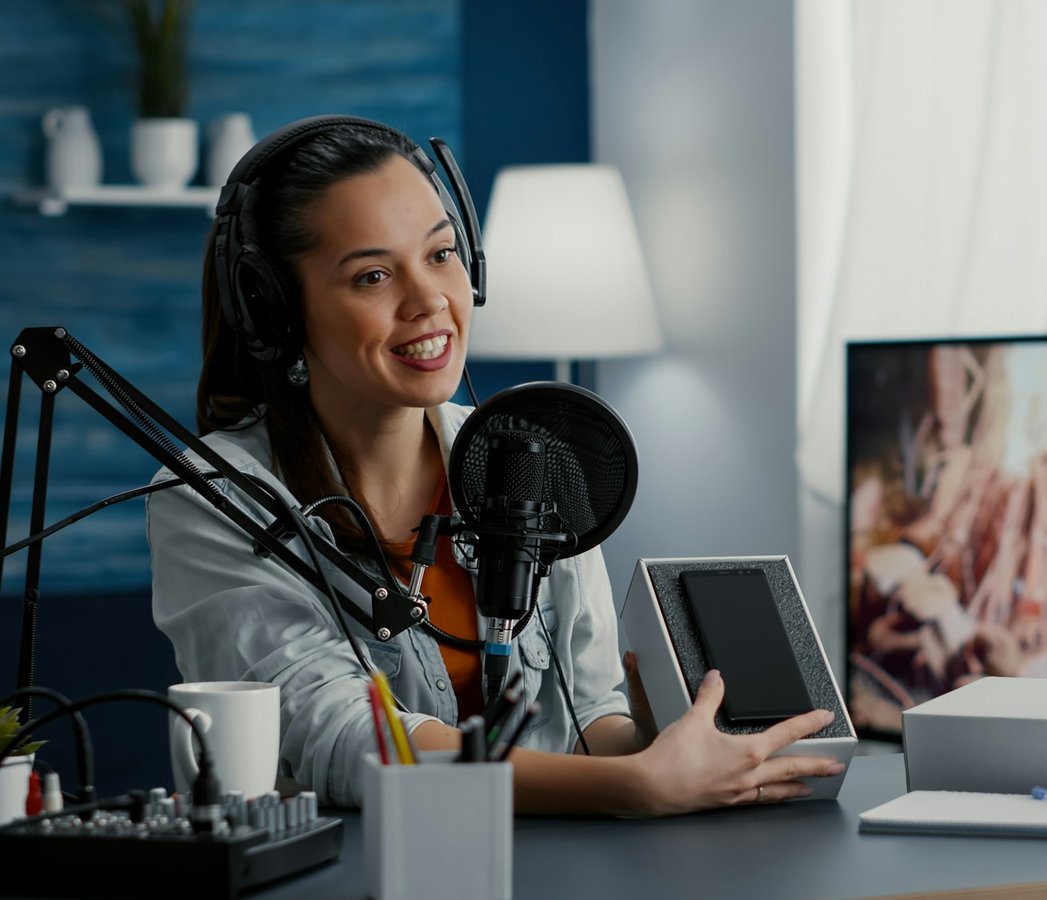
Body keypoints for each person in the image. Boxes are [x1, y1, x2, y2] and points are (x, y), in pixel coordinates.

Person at [146, 117, 842, 814]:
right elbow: (340, 736)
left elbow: (587, 718)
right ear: (274, 309)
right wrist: (631, 786)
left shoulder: (532, 454)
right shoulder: (213, 497)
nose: (429, 302)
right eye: (374, 275)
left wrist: (661, 746)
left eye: (442, 255)